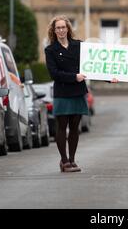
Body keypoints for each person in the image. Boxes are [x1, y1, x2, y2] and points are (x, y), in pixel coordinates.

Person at [45, 15, 89, 173]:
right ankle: (64, 161)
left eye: (63, 27)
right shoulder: (50, 50)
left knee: (75, 128)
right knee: (62, 127)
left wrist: (110, 78)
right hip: (62, 93)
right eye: (58, 28)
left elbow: (92, 67)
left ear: (68, 29)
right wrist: (74, 77)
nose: (61, 30)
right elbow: (54, 73)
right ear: (54, 31)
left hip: (78, 92)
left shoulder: (80, 46)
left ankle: (72, 160)